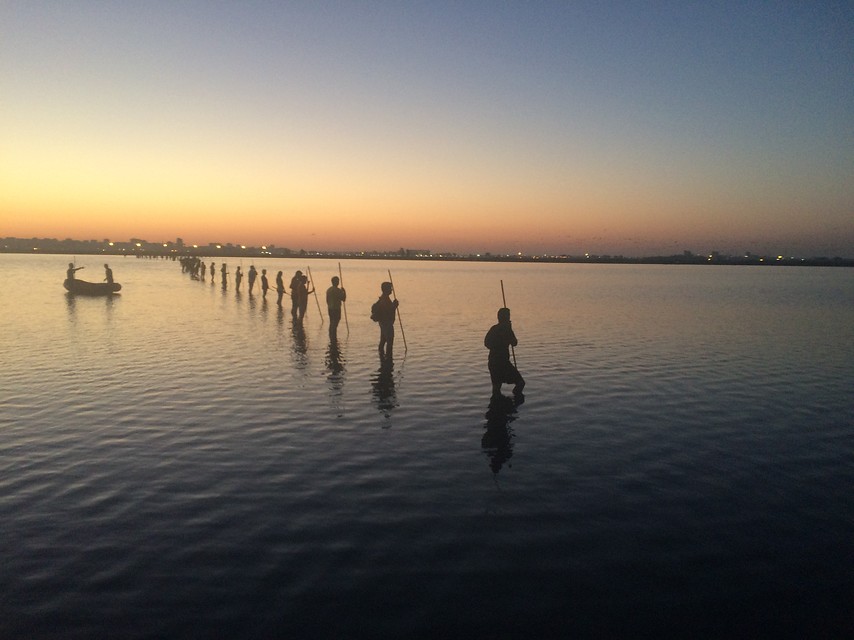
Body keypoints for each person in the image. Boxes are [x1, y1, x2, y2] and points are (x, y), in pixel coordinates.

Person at [484, 307, 525, 397]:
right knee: (498, 388)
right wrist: (502, 340)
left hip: (500, 363)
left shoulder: (506, 329)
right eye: (508, 316)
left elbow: (514, 343)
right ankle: (510, 403)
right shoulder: (497, 329)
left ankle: (511, 399)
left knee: (498, 388)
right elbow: (487, 343)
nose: (509, 318)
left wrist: (509, 332)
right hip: (497, 363)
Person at [372, 281, 398, 359]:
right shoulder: (384, 299)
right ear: (386, 289)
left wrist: (393, 306)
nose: (391, 290)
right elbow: (387, 311)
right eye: (390, 288)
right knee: (389, 342)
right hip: (387, 324)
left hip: (383, 323)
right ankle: (388, 360)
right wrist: (394, 306)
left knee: (383, 341)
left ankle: (382, 358)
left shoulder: (384, 298)